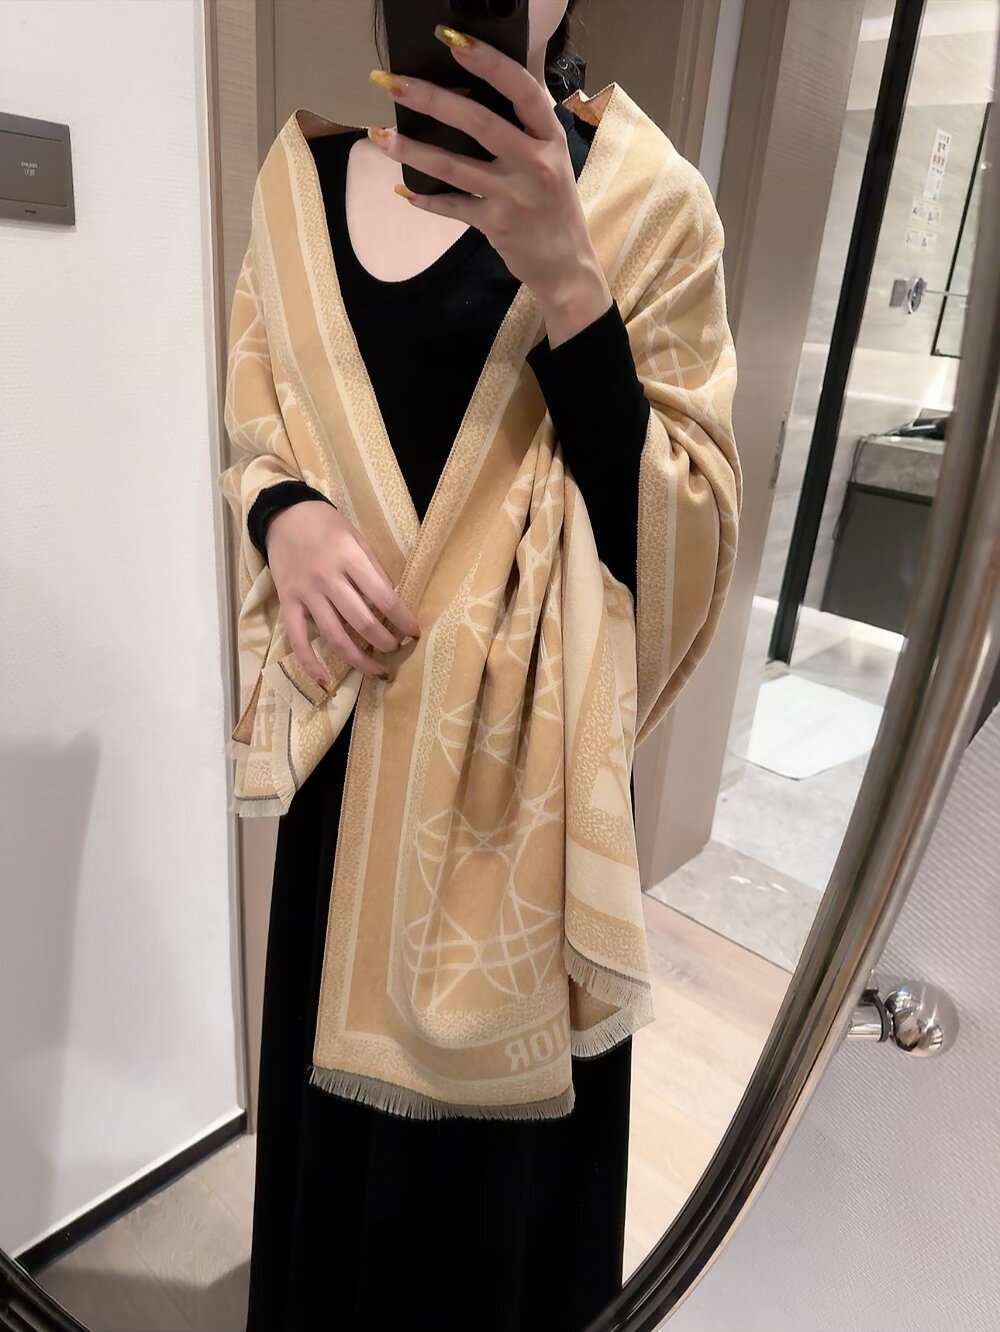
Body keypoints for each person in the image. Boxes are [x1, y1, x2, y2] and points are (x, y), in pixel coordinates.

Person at [219, 3, 741, 1329]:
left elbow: (677, 543)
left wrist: (570, 282)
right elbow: (258, 428)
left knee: (492, 1229)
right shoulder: (298, 187)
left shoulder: (649, 204)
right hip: (349, 774)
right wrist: (282, 515)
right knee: (335, 1189)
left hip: (529, 797)